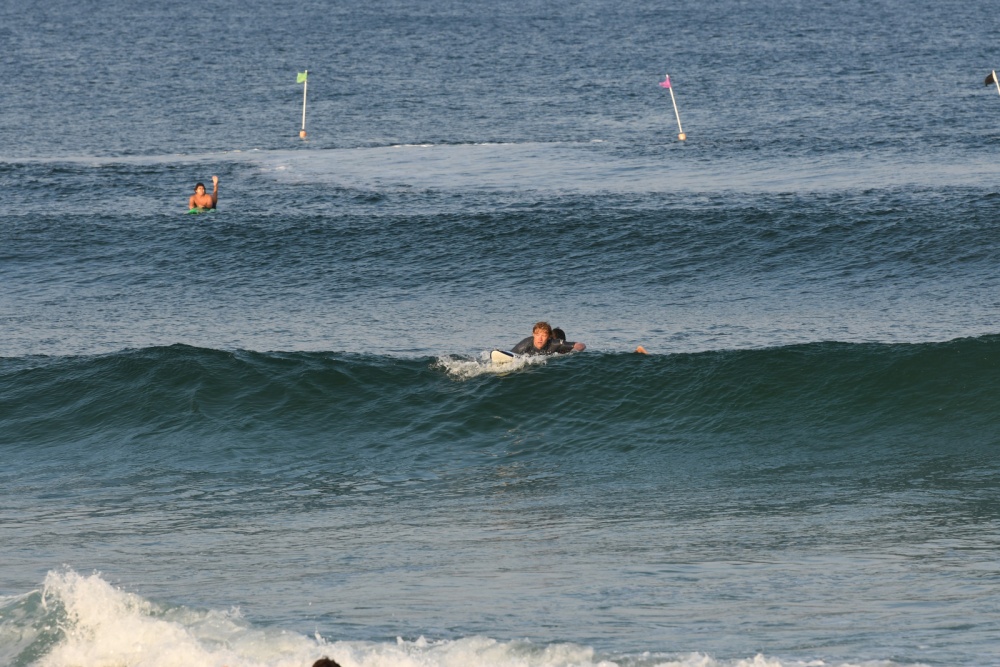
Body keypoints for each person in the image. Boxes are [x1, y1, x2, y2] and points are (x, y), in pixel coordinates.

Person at [512, 321, 585, 356]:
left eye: (544, 335)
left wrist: (574, 351)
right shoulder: (526, 343)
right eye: (537, 335)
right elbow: (510, 355)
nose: (540, 339)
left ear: (549, 336)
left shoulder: (554, 343)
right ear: (533, 334)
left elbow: (581, 345)